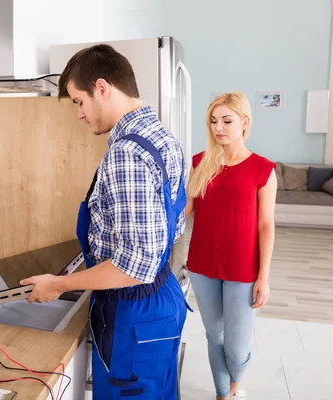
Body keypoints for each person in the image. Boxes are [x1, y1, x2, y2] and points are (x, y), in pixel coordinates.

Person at [20, 44, 190, 400]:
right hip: (160, 297)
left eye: (78, 101)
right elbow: (170, 228)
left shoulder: (126, 154)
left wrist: (59, 285)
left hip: (133, 313)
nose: (80, 114)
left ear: (102, 88)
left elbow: (134, 266)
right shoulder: (161, 136)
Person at [184, 92, 277, 400]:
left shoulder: (263, 169)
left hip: (242, 268)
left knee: (236, 348)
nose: (218, 128)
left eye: (226, 120)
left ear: (244, 122)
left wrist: (263, 276)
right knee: (214, 335)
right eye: (213, 121)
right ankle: (224, 394)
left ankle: (235, 379)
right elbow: (184, 211)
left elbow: (266, 225)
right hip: (201, 265)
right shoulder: (200, 162)